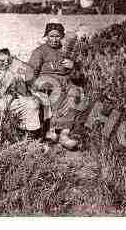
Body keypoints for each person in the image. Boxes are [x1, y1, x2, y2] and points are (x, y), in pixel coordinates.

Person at [25, 19, 84, 150]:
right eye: (51, 36)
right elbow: (30, 72)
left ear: (62, 36)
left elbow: (78, 76)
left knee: (75, 93)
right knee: (56, 94)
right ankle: (51, 131)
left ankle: (64, 135)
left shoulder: (67, 52)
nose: (54, 39)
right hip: (47, 83)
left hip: (66, 83)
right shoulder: (40, 51)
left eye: (57, 36)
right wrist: (35, 86)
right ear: (46, 36)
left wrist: (73, 66)